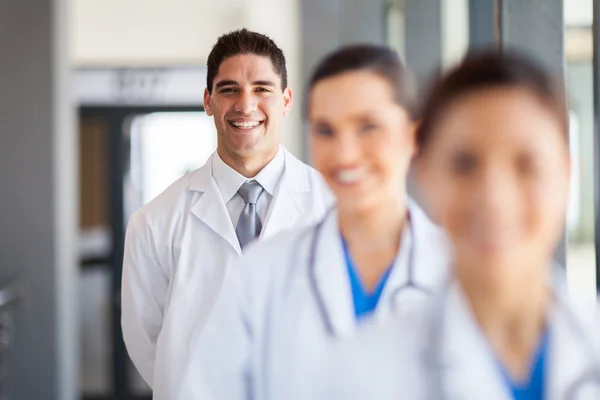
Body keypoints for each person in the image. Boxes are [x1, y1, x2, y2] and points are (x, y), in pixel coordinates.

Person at [176, 44, 451, 400]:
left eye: (368, 127)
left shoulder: (463, 272)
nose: (345, 153)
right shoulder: (261, 274)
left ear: (414, 135)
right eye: (326, 131)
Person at [321, 50, 600, 399]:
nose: (495, 198)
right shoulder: (362, 372)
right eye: (465, 164)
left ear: (569, 173)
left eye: (527, 165)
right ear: (424, 173)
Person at [120, 28, 333, 395]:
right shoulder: (154, 222)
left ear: (286, 100)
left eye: (262, 88)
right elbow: (147, 343)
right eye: (229, 89)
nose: (246, 105)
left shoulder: (332, 208)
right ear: (208, 101)